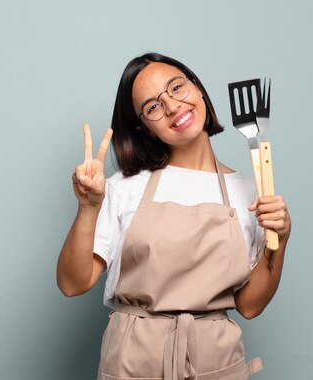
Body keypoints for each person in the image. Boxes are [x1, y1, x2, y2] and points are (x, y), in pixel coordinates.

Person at [57, 52, 291, 380]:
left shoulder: (249, 191)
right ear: (144, 127)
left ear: (196, 87)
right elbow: (72, 283)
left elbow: (250, 305)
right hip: (133, 362)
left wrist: (278, 242)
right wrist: (88, 209)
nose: (172, 106)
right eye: (153, 106)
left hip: (215, 361)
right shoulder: (123, 187)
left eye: (177, 88)